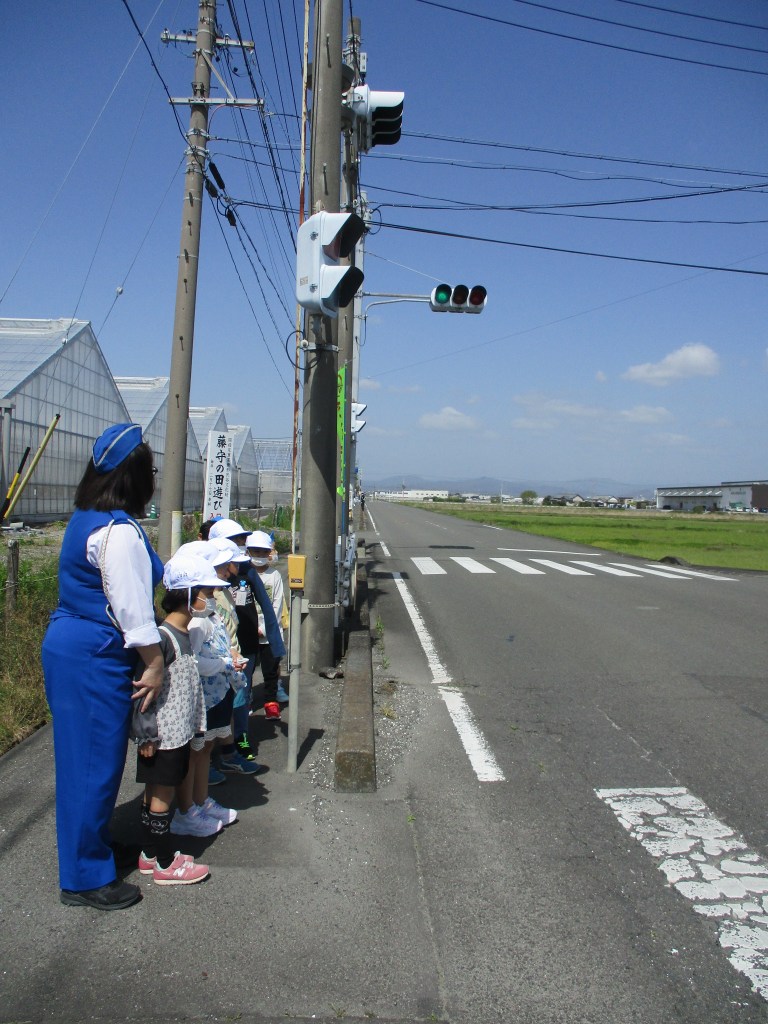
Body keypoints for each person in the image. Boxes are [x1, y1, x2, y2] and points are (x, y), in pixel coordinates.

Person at [41, 423, 164, 911]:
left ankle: (91, 847)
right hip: (94, 654)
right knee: (93, 764)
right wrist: (154, 663)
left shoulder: (86, 517)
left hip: (73, 643)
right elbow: (132, 610)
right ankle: (84, 877)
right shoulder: (120, 532)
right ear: (135, 478)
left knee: (87, 761)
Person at [134, 552, 215, 886]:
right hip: (162, 736)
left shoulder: (184, 634)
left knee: (156, 791)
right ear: (189, 594)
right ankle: (166, 864)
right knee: (161, 795)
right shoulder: (162, 638)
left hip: (177, 732)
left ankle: (149, 854)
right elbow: (142, 693)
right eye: (207, 592)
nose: (211, 598)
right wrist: (146, 734)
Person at [246, 530, 287, 723]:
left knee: (270, 670)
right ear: (248, 551)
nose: (260, 555)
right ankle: (246, 700)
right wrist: (252, 627)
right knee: (247, 669)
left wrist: (264, 627)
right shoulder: (245, 574)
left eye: (264, 552)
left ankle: (271, 702)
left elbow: (277, 605)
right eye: (256, 551)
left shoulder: (274, 575)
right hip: (248, 631)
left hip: (269, 631)